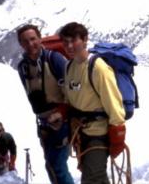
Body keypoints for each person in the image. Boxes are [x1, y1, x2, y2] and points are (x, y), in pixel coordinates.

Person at [59, 22, 126, 184]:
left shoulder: (98, 68)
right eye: (65, 42)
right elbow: (70, 99)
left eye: (73, 41)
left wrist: (118, 136)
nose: (69, 46)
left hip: (98, 134)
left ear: (85, 40)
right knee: (96, 178)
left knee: (92, 179)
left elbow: (114, 105)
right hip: (81, 134)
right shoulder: (69, 67)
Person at [16, 24, 73, 184]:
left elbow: (72, 92)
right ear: (21, 44)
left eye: (33, 39)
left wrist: (61, 113)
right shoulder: (23, 68)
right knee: (51, 165)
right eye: (25, 41)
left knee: (57, 166)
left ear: (40, 39)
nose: (30, 44)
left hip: (62, 121)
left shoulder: (54, 59)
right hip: (44, 124)